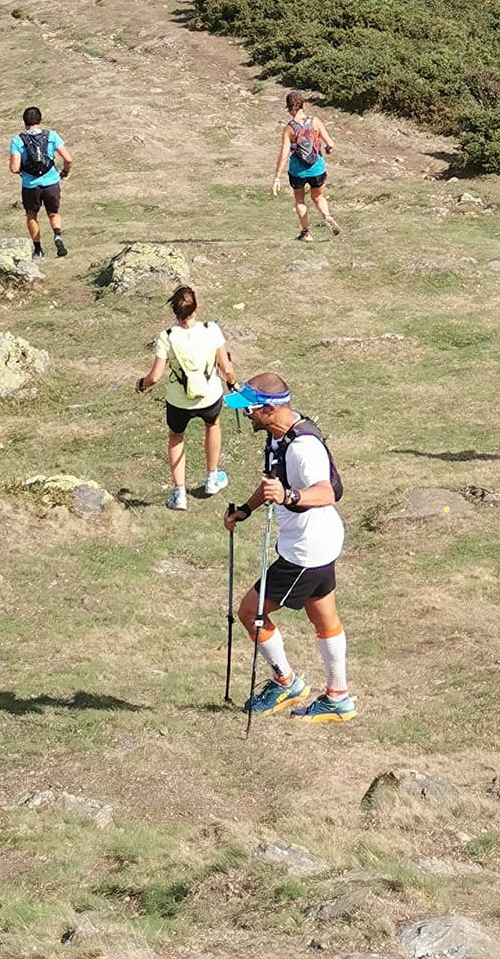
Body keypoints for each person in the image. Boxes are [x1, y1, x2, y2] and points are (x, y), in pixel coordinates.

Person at [223, 374, 355, 722]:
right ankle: (338, 698)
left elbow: (325, 492)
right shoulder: (277, 435)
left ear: (269, 408)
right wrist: (246, 510)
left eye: (249, 410)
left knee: (250, 613)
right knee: (324, 619)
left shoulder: (302, 448)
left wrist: (289, 496)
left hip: (305, 552)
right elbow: (273, 483)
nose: (245, 415)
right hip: (319, 543)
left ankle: (287, 683)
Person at [136, 284, 236, 508]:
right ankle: (212, 478)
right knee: (212, 425)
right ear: (196, 308)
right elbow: (226, 368)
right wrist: (232, 383)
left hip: (179, 401)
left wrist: (141, 385)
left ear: (174, 311)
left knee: (176, 436)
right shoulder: (212, 330)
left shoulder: (167, 337)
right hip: (209, 396)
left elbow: (154, 377)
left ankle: (179, 493)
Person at [273, 90, 338, 242]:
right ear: (304, 105)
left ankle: (306, 233)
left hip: (298, 171)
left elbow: (284, 154)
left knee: (300, 201)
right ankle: (326, 216)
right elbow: (330, 143)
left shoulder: (289, 129)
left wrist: (277, 177)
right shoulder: (315, 122)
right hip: (317, 168)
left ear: (288, 108)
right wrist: (328, 149)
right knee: (318, 196)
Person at [8, 104, 71, 258]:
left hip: (30, 185)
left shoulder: (18, 140)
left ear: (24, 122)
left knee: (31, 215)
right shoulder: (51, 136)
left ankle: (38, 249)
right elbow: (68, 159)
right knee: (53, 213)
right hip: (51, 182)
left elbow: (14, 168)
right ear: (40, 120)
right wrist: (64, 172)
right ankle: (57, 235)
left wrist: (23, 171)